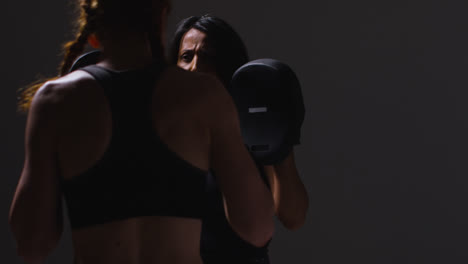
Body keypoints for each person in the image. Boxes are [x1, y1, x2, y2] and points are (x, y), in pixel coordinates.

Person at [8, 1, 275, 264]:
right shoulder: (203, 95)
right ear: (161, 15)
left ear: (93, 32)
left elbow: (32, 246)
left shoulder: (55, 100)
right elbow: (257, 229)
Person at [170, 15, 309, 264]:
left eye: (209, 57)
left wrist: (283, 141)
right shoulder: (163, 132)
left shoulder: (251, 132)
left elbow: (293, 217)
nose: (195, 67)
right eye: (186, 56)